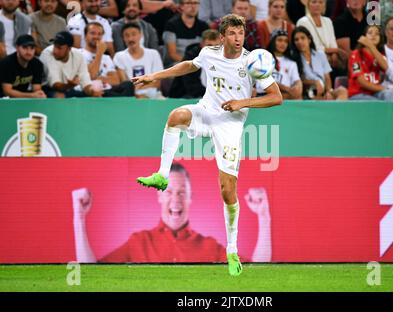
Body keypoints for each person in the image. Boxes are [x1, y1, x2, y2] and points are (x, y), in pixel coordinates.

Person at [131, 14, 282, 276]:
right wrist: (153, 76)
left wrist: (242, 103)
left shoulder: (252, 61)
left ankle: (232, 249)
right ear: (222, 37)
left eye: (241, 34)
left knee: (227, 191)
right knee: (175, 116)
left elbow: (276, 97)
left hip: (230, 125)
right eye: (233, 34)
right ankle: (162, 176)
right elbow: (188, 66)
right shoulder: (209, 53)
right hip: (206, 111)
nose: (238, 39)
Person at [72, 163, 272, 263]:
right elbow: (92, 274)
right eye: (168, 192)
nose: (175, 199)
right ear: (159, 196)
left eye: (182, 193)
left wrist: (264, 217)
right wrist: (79, 218)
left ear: (190, 199)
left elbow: (256, 275)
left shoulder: (210, 248)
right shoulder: (138, 243)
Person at [40, 31, 102, 97]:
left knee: (93, 96)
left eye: (59, 48)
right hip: (46, 89)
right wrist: (69, 85)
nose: (55, 51)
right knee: (59, 96)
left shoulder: (78, 56)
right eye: (54, 46)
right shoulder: (47, 53)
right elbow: (56, 85)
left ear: (69, 49)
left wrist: (92, 91)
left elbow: (86, 83)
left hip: (68, 89)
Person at [292, 26, 348, 100]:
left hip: (324, 89)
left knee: (342, 91)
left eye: (303, 38)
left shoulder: (320, 54)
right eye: (296, 40)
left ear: (309, 39)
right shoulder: (294, 59)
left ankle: (335, 109)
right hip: (308, 91)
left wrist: (329, 91)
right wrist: (314, 82)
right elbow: (298, 80)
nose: (299, 42)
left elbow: (327, 77)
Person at [81, 22, 135, 97]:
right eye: (92, 33)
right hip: (89, 92)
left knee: (128, 85)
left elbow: (116, 81)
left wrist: (98, 79)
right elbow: (92, 75)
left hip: (108, 91)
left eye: (99, 34)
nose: (96, 36)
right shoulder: (79, 54)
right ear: (85, 36)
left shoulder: (107, 58)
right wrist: (99, 53)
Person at [114, 23, 164, 99]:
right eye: (127, 35)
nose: (130, 39)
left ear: (141, 35)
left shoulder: (153, 53)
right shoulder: (119, 56)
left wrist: (141, 89)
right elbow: (124, 84)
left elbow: (157, 83)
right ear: (123, 38)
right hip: (131, 96)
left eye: (134, 34)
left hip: (154, 95)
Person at [348, 25, 393, 101]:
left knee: (390, 95)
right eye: (370, 33)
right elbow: (361, 82)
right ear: (364, 36)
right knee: (376, 103)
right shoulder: (355, 54)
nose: (373, 35)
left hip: (374, 92)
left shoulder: (380, 56)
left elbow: (387, 68)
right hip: (357, 93)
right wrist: (382, 88)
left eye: (377, 34)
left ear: (380, 38)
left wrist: (371, 47)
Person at [169, 29, 221, 98]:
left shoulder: (223, 58)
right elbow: (191, 84)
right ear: (201, 44)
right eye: (209, 45)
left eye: (216, 46)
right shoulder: (191, 57)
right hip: (185, 94)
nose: (213, 49)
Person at [296, 0, 345, 70]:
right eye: (314, 2)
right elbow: (310, 46)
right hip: (312, 61)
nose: (317, 5)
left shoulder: (328, 21)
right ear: (308, 5)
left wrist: (334, 54)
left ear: (324, 5)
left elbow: (332, 41)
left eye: (320, 2)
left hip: (330, 60)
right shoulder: (303, 22)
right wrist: (336, 50)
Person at [162, 0, 209, 66]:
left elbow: (209, 48)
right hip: (176, 65)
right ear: (181, 6)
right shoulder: (171, 25)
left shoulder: (204, 26)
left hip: (198, 65)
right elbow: (172, 54)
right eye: (189, 3)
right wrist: (192, 64)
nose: (193, 6)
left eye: (196, 3)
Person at [260, 29, 302, 99]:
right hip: (265, 97)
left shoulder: (292, 63)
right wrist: (287, 89)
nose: (283, 44)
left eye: (286, 41)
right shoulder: (262, 59)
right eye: (280, 40)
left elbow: (297, 81)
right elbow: (263, 84)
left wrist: (298, 88)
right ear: (272, 41)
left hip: (286, 100)